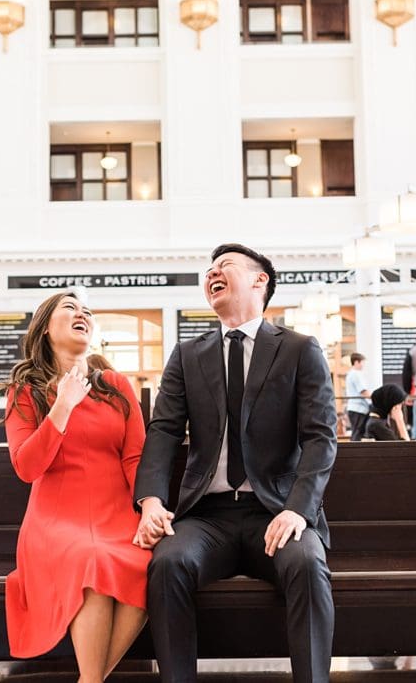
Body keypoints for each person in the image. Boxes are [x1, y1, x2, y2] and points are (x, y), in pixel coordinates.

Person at [134, 243, 337, 683]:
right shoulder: (187, 355)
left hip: (277, 512)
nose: (211, 274)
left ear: (260, 279)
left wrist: (298, 509)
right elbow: (164, 431)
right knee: (167, 563)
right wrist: (150, 500)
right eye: (207, 271)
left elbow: (320, 437)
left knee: (306, 563)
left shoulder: (300, 349)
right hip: (207, 517)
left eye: (224, 266)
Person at [4, 292, 149, 682]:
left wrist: (149, 507)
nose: (81, 313)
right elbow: (27, 466)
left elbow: (134, 459)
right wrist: (62, 406)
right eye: (69, 308)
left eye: (86, 310)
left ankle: (91, 680)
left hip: (116, 515)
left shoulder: (116, 386)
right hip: (56, 523)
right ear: (45, 328)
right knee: (92, 561)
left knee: (153, 564)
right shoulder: (25, 391)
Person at [344, 352, 371, 441]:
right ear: (356, 362)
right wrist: (375, 399)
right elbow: (363, 391)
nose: (363, 365)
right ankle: (354, 454)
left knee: (356, 433)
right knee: (357, 434)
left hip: (355, 408)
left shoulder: (351, 374)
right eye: (362, 362)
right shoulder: (356, 374)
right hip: (358, 409)